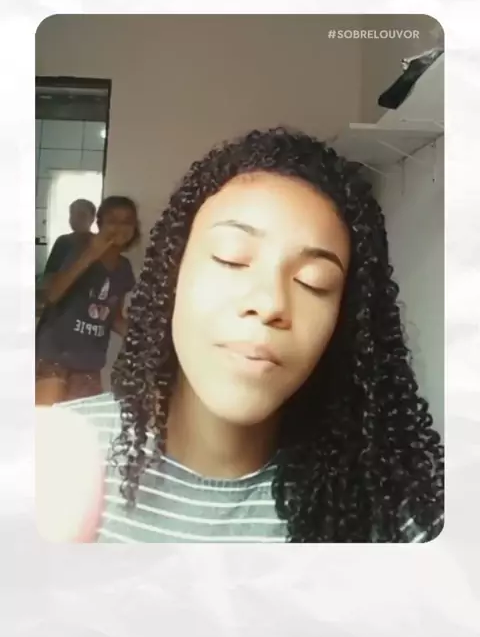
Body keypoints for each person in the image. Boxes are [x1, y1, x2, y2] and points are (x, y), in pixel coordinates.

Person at [38, 128, 444, 543]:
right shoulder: (48, 459)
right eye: (230, 258)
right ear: (171, 276)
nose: (269, 303)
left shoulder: (389, 509)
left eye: (314, 281)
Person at [35, 196, 140, 406]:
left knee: (82, 425)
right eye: (112, 220)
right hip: (55, 355)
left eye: (127, 221)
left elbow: (113, 316)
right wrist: (91, 254)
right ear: (99, 223)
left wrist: (142, 338)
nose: (119, 227)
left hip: (89, 363)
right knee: (46, 422)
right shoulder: (74, 247)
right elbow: (52, 295)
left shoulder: (124, 268)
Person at [43, 199, 97, 278]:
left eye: (81, 215)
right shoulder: (62, 241)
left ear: (92, 218)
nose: (76, 219)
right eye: (72, 214)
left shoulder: (98, 242)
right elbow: (49, 274)